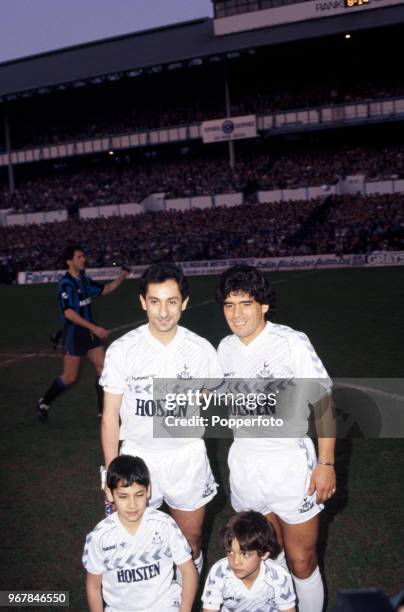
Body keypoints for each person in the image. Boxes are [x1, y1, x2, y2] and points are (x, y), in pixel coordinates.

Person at [216, 265, 336, 612]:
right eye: (229, 305)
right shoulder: (224, 349)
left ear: (264, 305)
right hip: (245, 466)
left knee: (302, 562)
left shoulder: (290, 342)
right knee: (269, 558)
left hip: (289, 465)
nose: (236, 314)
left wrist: (326, 463)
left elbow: (324, 402)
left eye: (246, 304)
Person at [100, 262, 222, 572]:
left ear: (184, 302)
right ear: (143, 302)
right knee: (136, 547)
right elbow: (110, 415)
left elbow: (212, 396)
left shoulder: (201, 349)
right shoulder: (123, 349)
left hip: (187, 458)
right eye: (155, 302)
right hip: (138, 458)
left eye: (171, 301)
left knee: (190, 542)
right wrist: (110, 474)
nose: (163, 312)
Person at [83, 454, 198, 612]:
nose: (132, 504)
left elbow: (188, 571)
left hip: (164, 606)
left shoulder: (164, 524)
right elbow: (93, 585)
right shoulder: (100, 536)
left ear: (148, 490)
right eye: (123, 496)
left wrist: (185, 610)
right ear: (110, 494)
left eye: (139, 495)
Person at [37, 244, 128, 422]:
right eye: (79, 257)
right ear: (69, 261)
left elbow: (106, 289)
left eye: (83, 256)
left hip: (89, 332)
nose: (83, 259)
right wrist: (94, 328)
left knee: (104, 371)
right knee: (70, 377)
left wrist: (123, 276)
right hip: (74, 334)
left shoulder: (84, 279)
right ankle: (44, 402)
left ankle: (103, 412)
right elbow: (68, 313)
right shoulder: (66, 284)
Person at [202, 510, 296, 612]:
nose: (236, 561)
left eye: (245, 554)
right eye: (230, 552)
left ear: (264, 554)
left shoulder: (279, 576)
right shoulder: (219, 573)